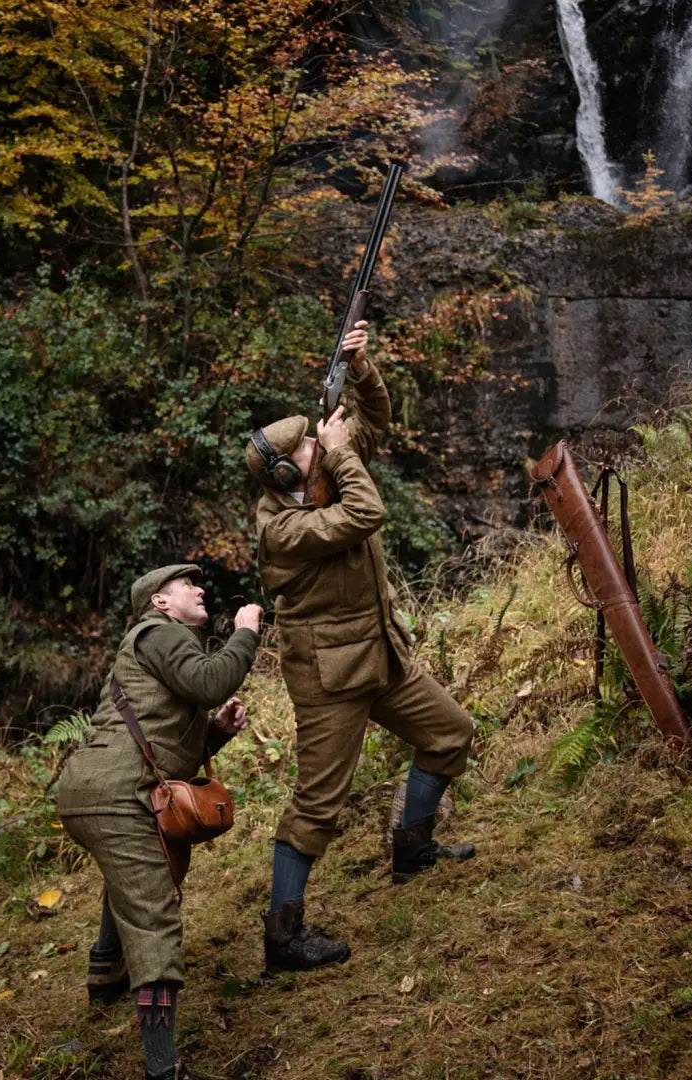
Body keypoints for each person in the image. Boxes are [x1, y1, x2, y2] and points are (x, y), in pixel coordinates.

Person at [245, 321, 475, 973]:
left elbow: (373, 417)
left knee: (450, 733)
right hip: (328, 678)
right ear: (294, 471)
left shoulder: (321, 475)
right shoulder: (285, 529)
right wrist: (341, 454)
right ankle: (284, 938)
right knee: (317, 806)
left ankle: (413, 850)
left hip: (377, 652)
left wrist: (363, 366)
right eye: (316, 444)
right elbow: (366, 514)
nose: (328, 438)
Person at [57, 565, 263, 1080]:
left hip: (97, 787)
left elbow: (165, 749)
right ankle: (162, 1070)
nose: (200, 589)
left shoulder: (158, 648)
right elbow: (213, 679)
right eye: (186, 586)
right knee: (155, 923)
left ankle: (105, 976)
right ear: (160, 603)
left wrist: (213, 734)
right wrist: (246, 632)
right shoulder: (160, 634)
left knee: (136, 875)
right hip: (116, 794)